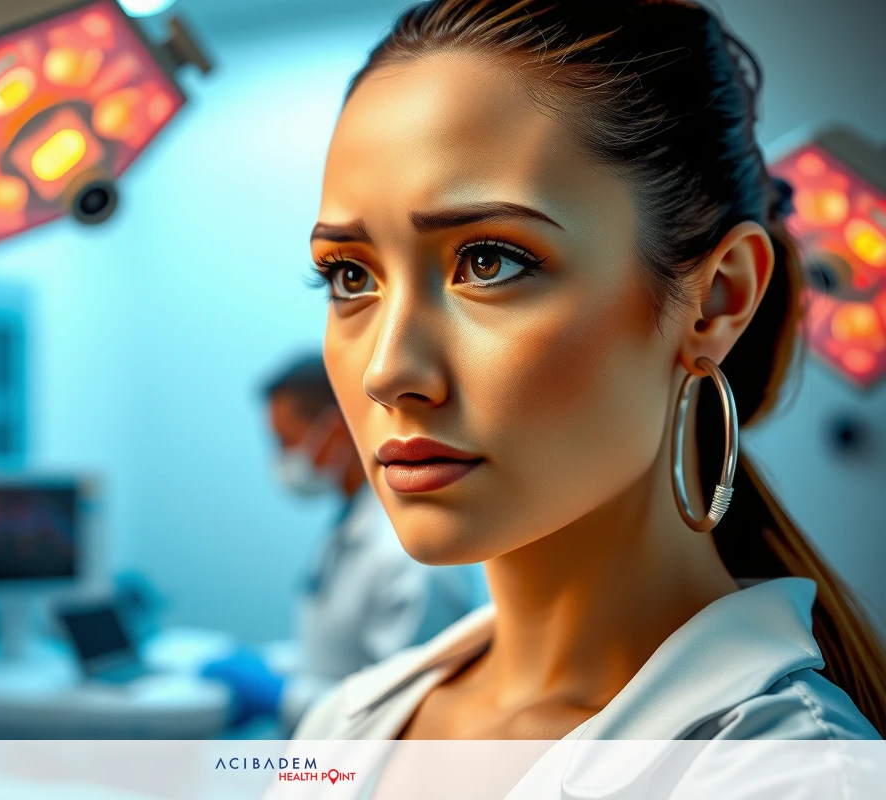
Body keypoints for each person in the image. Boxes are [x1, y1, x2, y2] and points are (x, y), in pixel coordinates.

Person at [294, 0, 886, 754]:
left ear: (718, 298)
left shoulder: (797, 776)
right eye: (349, 276)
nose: (387, 372)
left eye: (489, 262)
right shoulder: (339, 732)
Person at [203, 354, 478, 735]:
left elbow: (401, 712)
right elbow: (340, 661)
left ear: (334, 429)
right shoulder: (351, 523)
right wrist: (272, 667)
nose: (280, 460)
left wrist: (281, 696)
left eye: (286, 441)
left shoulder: (407, 553)